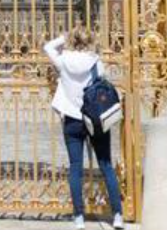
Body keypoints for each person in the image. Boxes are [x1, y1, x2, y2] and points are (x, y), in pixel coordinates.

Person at [44, 26, 124, 230]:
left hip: (72, 120)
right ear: (89, 41)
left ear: (72, 41)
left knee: (76, 168)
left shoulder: (63, 60)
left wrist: (62, 38)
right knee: (106, 165)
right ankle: (117, 216)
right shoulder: (96, 62)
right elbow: (103, 81)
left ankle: (78, 217)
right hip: (95, 119)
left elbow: (47, 47)